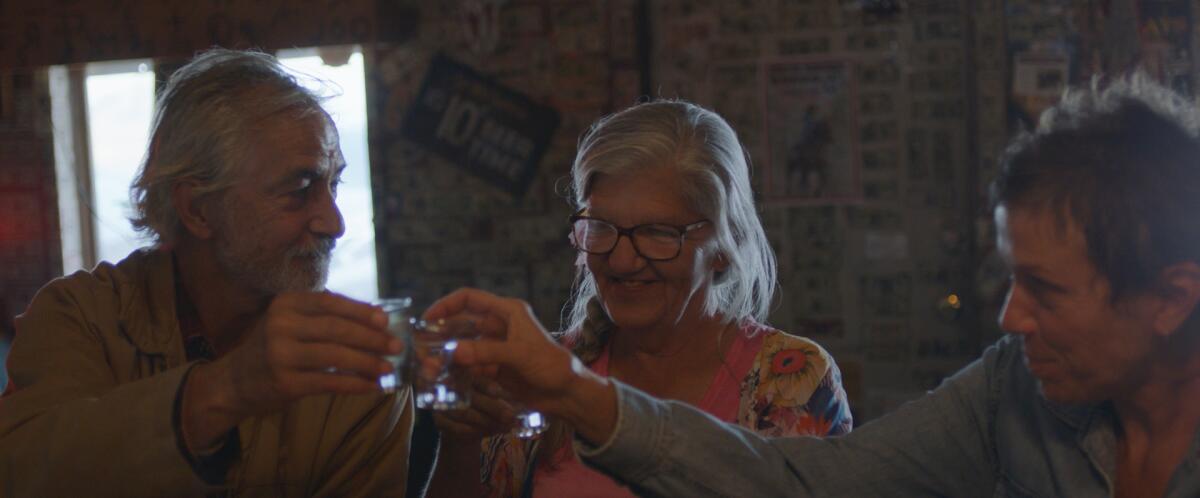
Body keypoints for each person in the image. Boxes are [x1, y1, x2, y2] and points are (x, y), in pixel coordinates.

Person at [427, 74, 1200, 497]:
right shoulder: (1012, 391)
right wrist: (562, 388)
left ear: (1170, 297)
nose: (1009, 316)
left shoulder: (792, 377)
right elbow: (805, 483)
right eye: (603, 229)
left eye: (1046, 290)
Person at [0, 49, 412, 496]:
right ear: (197, 210)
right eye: (299, 189)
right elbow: (21, 472)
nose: (335, 223)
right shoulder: (81, 318)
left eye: (333, 185)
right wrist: (221, 392)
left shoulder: (361, 366)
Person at [425, 100, 852, 497]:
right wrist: (460, 440)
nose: (623, 260)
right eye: (602, 227)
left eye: (658, 233)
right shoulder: (539, 372)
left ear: (725, 244)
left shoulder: (788, 380)